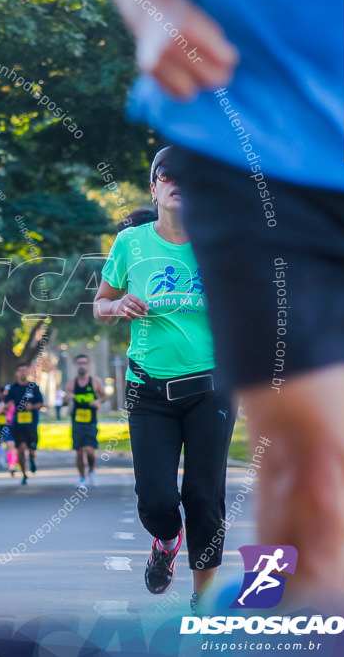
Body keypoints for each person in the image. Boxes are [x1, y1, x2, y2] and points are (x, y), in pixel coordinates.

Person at [92, 0, 344, 613]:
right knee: (311, 467)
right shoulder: (134, 244)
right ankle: (262, 612)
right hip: (255, 147)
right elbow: (102, 301)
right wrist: (152, 8)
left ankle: (295, 614)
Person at [94, 147, 236, 615]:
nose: (178, 183)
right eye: (166, 176)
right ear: (154, 187)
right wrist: (117, 308)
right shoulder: (131, 244)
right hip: (149, 389)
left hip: (211, 389)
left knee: (203, 495)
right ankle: (167, 541)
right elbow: (101, 304)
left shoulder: (218, 241)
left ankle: (204, 597)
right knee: (156, 499)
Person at [66, 354, 107, 488]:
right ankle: (82, 479)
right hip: (77, 422)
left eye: (84, 363)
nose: (81, 365)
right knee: (79, 451)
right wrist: (68, 398)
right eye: (79, 363)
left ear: (88, 365)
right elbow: (64, 401)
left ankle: (92, 471)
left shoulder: (95, 382)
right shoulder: (71, 383)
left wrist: (97, 401)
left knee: (90, 451)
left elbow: (104, 396)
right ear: (75, 365)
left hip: (91, 421)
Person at [1, 365, 44, 485]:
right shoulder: (13, 388)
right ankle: (24, 474)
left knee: (31, 450)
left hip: (31, 424)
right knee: (20, 449)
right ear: (16, 373)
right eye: (20, 370)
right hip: (17, 425)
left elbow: (41, 403)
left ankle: (32, 460)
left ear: (28, 372)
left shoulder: (33, 387)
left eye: (24, 370)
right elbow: (6, 403)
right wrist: (7, 406)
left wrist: (32, 406)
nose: (22, 373)